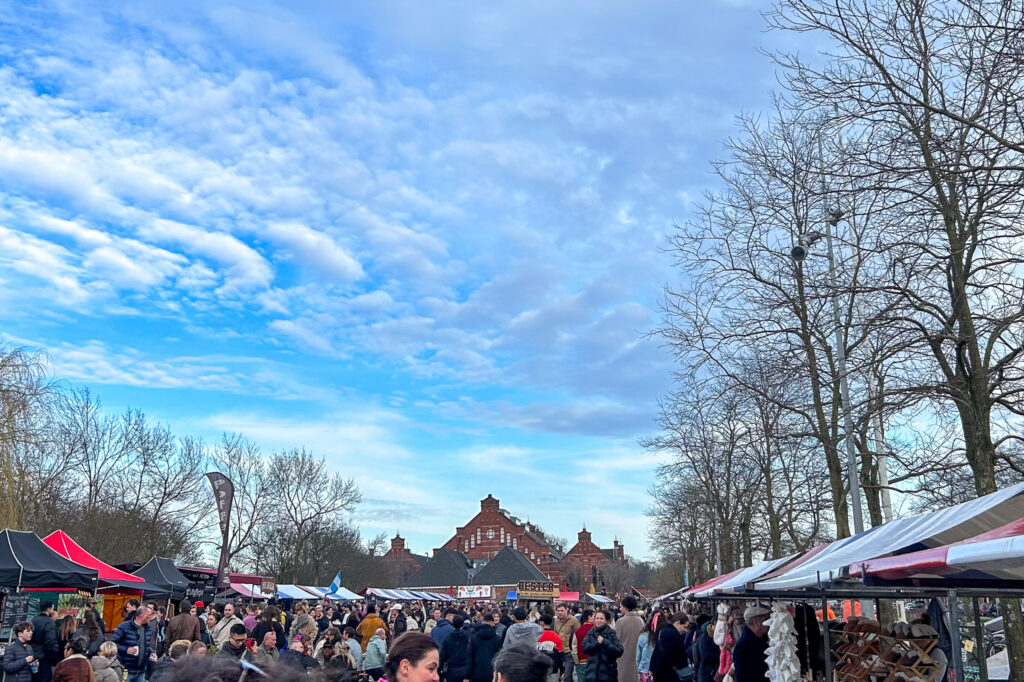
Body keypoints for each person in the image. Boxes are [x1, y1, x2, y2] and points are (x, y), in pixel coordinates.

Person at [112, 604, 158, 682]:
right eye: (148, 615)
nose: (150, 618)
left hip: (141, 671)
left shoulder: (148, 629)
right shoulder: (124, 627)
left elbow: (146, 644)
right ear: (140, 615)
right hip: (126, 670)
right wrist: (126, 649)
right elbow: (113, 644)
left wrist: (151, 652)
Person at [581, 611, 623, 682]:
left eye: (601, 618)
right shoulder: (590, 633)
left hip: (608, 675)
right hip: (592, 674)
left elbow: (619, 651)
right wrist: (596, 644)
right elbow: (585, 648)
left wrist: (605, 642)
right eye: (597, 618)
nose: (599, 620)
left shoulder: (611, 634)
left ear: (606, 620)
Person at [729, 607, 769, 682]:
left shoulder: (763, 638)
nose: (769, 623)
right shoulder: (743, 646)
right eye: (766, 620)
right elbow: (742, 676)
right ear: (756, 622)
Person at [465, 610, 501, 682]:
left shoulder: (474, 638)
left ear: (482, 622)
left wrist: (466, 676)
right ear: (493, 623)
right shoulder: (498, 639)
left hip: (476, 673)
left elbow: (469, 658)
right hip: (492, 674)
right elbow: (499, 658)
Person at [650, 613, 687, 682]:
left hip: (659, 671)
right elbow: (679, 655)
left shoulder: (664, 631)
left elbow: (656, 651)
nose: (685, 630)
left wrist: (652, 667)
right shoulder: (673, 634)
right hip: (668, 673)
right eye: (684, 627)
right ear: (678, 623)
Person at [614, 598, 643, 682]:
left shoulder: (620, 621)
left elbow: (616, 640)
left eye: (621, 606)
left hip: (623, 657)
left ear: (626, 607)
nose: (620, 609)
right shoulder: (640, 620)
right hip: (638, 656)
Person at [30, 600, 60, 682]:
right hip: (44, 658)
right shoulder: (49, 622)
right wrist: (53, 658)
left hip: (33, 656)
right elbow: (50, 642)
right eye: (52, 608)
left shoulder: (34, 620)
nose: (53, 611)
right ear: (49, 609)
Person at [439, 615, 470, 682]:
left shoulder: (448, 638)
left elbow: (442, 656)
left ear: (452, 624)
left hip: (452, 669)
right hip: (464, 669)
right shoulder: (467, 638)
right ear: (462, 624)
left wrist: (439, 670)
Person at [554, 604, 580, 682]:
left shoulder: (574, 620)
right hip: (559, 651)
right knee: (560, 674)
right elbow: (555, 634)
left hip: (569, 651)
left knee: (567, 675)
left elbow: (578, 634)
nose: (560, 612)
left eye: (562, 610)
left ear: (567, 610)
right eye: (558, 611)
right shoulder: (556, 621)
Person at [689, 615, 719, 682]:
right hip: (707, 675)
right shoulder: (705, 638)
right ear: (715, 622)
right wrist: (720, 654)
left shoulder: (716, 636)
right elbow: (705, 656)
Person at [536, 615, 564, 682]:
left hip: (538, 669)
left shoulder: (536, 636)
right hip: (553, 669)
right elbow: (561, 656)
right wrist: (562, 671)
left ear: (542, 622)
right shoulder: (557, 637)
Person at [572, 610, 595, 682]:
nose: (595, 619)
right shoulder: (596, 630)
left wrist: (577, 662)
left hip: (582, 662)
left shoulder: (577, 631)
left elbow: (574, 649)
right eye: (594, 616)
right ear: (589, 617)